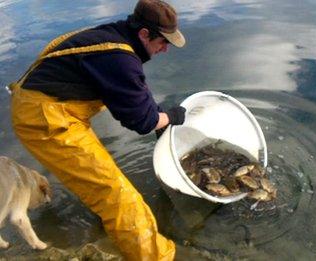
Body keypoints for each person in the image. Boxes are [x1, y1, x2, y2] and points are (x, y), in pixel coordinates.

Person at [9, 0, 186, 260]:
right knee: (116, 193)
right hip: (45, 120)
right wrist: (168, 117)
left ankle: (108, 223)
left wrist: (156, 110)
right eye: (164, 42)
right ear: (144, 34)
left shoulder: (115, 36)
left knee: (100, 178)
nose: (166, 49)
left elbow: (132, 85)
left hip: (50, 106)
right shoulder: (118, 57)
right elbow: (143, 122)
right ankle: (155, 256)